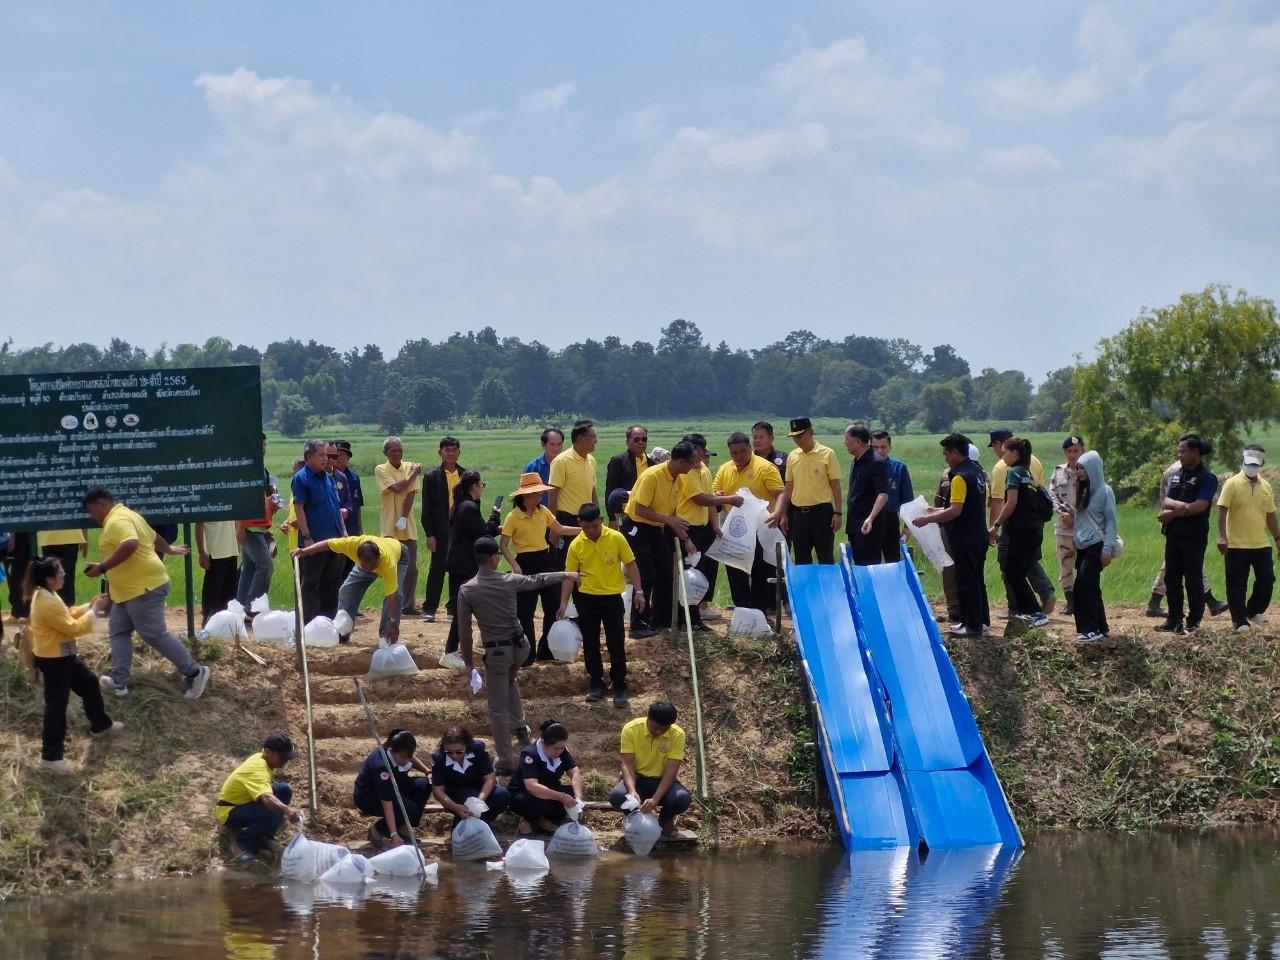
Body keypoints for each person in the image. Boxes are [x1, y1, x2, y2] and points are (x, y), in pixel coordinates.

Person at [457, 536, 577, 773]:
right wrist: (565, 574)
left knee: (496, 709)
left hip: (497, 652)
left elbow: (465, 632)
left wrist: (469, 662)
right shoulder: (509, 580)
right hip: (521, 647)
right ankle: (521, 728)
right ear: (493, 559)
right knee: (509, 681)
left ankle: (505, 760)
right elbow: (537, 580)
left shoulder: (467, 590)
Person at [83, 486, 211, 700]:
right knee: (118, 630)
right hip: (128, 590)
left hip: (143, 587)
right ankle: (120, 682)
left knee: (153, 634)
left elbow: (131, 543)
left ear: (101, 504)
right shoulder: (129, 515)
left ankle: (195, 672)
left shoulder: (117, 520)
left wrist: (103, 567)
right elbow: (153, 537)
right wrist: (169, 550)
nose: (92, 517)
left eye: (92, 511)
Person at [23, 556, 120, 774]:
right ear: (49, 579)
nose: (64, 574)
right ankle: (51, 757)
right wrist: (94, 611)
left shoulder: (47, 595)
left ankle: (100, 725)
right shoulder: (46, 601)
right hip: (54, 659)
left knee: (89, 683)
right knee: (56, 706)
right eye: (60, 572)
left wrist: (90, 605)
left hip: (63, 655)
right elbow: (72, 628)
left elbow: (65, 614)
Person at [560, 503, 646, 706]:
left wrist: (639, 591)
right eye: (586, 527)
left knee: (616, 642)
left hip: (612, 598)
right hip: (586, 599)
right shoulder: (576, 545)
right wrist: (563, 603)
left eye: (594, 526)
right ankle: (596, 683)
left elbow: (631, 564)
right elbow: (569, 576)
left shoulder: (616, 538)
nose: (590, 531)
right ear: (579, 523)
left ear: (600, 520)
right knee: (590, 643)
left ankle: (619, 684)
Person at [913, 434, 989, 638]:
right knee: (976, 580)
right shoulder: (977, 472)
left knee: (966, 582)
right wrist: (933, 510)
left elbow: (956, 511)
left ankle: (972, 626)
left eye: (946, 453)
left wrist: (927, 520)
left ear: (956, 453)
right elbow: (964, 505)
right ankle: (980, 621)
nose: (945, 458)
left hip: (965, 537)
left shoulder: (959, 477)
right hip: (979, 535)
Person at [499, 474, 581, 662]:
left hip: (545, 560)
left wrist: (584, 529)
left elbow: (560, 529)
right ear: (525, 496)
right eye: (535, 494)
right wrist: (515, 565)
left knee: (552, 607)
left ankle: (547, 651)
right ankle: (528, 655)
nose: (539, 497)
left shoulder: (543, 511)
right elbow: (503, 545)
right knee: (525, 611)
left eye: (540, 493)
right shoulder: (513, 517)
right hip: (525, 564)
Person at [622, 442, 698, 638]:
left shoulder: (678, 480)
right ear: (680, 461)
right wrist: (669, 520)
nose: (692, 467)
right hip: (637, 528)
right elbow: (640, 509)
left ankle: (659, 621)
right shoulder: (652, 476)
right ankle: (637, 624)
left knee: (666, 573)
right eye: (691, 463)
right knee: (646, 575)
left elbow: (672, 511)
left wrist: (682, 533)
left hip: (656, 528)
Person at [1145, 458, 1228, 619]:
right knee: (1188, 565)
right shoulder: (1179, 471)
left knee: (1182, 564)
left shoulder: (1180, 470)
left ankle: (1155, 602)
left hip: (1178, 522)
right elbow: (1177, 500)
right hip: (1178, 524)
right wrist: (1185, 511)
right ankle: (1208, 603)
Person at [714, 432, 785, 612]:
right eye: (734, 453)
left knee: (760, 570)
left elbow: (780, 493)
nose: (738, 456)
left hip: (760, 528)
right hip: (735, 529)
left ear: (749, 449)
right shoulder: (725, 469)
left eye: (742, 452)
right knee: (735, 569)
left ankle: (759, 611)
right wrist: (718, 496)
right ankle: (742, 609)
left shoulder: (765, 467)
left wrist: (777, 513)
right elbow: (715, 493)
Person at [987, 428, 1056, 615]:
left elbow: (1009, 502)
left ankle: (1029, 611)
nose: (1002, 457)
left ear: (1014, 452)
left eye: (1004, 453)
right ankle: (1031, 609)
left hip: (1019, 528)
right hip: (1034, 526)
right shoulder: (1028, 469)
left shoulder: (1011, 472)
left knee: (1011, 570)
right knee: (1023, 565)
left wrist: (995, 525)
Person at [1156, 435, 1219, 635]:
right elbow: (1167, 499)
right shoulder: (1176, 475)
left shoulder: (1207, 478)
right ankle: (1174, 619)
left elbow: (1199, 507)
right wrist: (1183, 507)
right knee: (1172, 578)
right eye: (1179, 451)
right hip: (1173, 534)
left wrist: (1174, 512)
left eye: (1183, 451)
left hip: (1194, 537)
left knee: (1193, 579)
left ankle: (1194, 622)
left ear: (1195, 453)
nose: (1179, 455)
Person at [292, 534, 406, 643]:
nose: (368, 570)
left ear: (378, 558)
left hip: (400, 556)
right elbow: (327, 544)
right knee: (347, 591)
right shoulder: (351, 544)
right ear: (358, 557)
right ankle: (342, 631)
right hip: (373, 558)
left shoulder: (388, 563)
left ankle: (387, 635)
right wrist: (305, 551)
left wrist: (392, 621)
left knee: (397, 596)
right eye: (364, 566)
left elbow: (392, 595)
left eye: (372, 566)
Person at [608, 701, 693, 838]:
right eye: (654, 728)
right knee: (617, 796)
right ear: (648, 718)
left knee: (682, 799)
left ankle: (665, 820)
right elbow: (627, 764)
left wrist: (655, 798)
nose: (658, 732)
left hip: (662, 782)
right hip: (637, 780)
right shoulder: (631, 729)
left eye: (663, 729)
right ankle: (636, 819)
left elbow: (671, 771)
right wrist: (631, 791)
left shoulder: (678, 735)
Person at [1217, 446, 1279, 632]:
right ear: (1243, 462)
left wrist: (1277, 537)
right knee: (1237, 584)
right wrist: (1222, 536)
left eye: (1255, 465)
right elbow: (1222, 509)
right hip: (1236, 544)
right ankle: (1239, 621)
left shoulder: (1266, 486)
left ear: (1261, 465)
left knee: (1267, 580)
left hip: (1261, 544)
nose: (1251, 467)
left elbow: (1270, 515)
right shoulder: (1232, 484)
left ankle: (1253, 610)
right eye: (1248, 464)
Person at [677, 433, 736, 624]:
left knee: (706, 567)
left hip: (704, 527)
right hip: (686, 527)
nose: (703, 457)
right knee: (689, 571)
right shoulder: (686, 473)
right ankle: (688, 615)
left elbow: (710, 500)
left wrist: (715, 525)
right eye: (701, 452)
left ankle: (701, 608)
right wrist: (729, 499)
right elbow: (700, 499)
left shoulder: (704, 469)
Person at [216, 732, 302, 861]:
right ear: (269, 752)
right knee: (270, 808)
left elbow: (266, 792)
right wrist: (288, 811)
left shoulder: (264, 759)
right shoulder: (258, 768)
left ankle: (264, 836)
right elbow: (267, 799)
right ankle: (241, 845)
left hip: (245, 803)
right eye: (283, 757)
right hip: (230, 811)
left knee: (284, 790)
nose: (285, 761)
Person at [443, 471, 501, 655]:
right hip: (464, 566)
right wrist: (495, 516)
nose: (483, 487)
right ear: (475, 486)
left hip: (460, 564)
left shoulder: (464, 504)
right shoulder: (469, 507)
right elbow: (482, 534)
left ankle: (477, 641)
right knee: (463, 611)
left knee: (470, 607)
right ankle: (450, 652)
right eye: (482, 484)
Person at [291, 439, 345, 620]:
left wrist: (343, 534)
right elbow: (299, 508)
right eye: (321, 455)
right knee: (311, 583)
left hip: (335, 541)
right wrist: (306, 537)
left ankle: (327, 621)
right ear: (308, 457)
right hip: (314, 541)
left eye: (327, 455)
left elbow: (336, 508)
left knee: (332, 583)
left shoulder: (329, 478)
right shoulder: (301, 479)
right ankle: (309, 623)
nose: (326, 459)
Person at [776, 418, 842, 566]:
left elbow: (835, 485)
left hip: (822, 513)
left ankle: (827, 588)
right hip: (799, 514)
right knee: (801, 559)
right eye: (794, 437)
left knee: (825, 557)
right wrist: (784, 513)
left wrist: (837, 513)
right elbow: (788, 487)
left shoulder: (827, 454)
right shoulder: (792, 456)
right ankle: (806, 589)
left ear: (811, 432)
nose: (797, 440)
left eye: (800, 436)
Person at [353, 728, 432, 848]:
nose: (407, 761)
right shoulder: (382, 767)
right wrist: (393, 834)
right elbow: (387, 802)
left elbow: (410, 756)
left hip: (393, 784)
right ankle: (378, 830)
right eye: (403, 757)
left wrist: (427, 771)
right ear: (392, 750)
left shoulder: (396, 748)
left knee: (423, 784)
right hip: (369, 796)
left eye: (408, 756)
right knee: (409, 809)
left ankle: (404, 827)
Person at [1072, 450, 1118, 642]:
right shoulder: (1083, 490)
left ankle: (1091, 630)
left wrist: (1107, 549)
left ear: (1092, 469)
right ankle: (1100, 627)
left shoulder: (1105, 491)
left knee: (1083, 586)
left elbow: (1111, 522)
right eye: (1078, 468)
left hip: (1096, 546)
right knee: (1090, 587)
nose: (1079, 472)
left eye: (1082, 468)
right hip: (1083, 547)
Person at [508, 720, 585, 835]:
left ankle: (550, 822)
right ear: (543, 742)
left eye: (562, 748)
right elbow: (532, 786)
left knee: (571, 795)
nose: (559, 752)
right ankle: (529, 822)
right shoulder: (530, 754)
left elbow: (574, 772)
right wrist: (561, 797)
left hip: (550, 789)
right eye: (555, 749)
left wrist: (578, 797)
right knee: (544, 803)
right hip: (524, 793)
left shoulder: (562, 751)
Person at [374, 437, 423, 616]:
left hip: (407, 525)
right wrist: (413, 475)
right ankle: (392, 604)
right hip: (389, 526)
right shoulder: (381, 469)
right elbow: (396, 488)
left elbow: (410, 494)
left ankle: (409, 605)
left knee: (411, 569)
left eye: (399, 450)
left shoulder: (410, 466)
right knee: (391, 568)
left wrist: (404, 517)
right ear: (385, 453)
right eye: (393, 450)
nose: (397, 453)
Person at [422, 437, 466, 622]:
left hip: (461, 531)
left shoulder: (466, 475)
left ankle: (453, 607)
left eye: (454, 450)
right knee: (437, 570)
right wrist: (430, 534)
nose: (451, 453)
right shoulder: (431, 477)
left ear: (459, 452)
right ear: (440, 452)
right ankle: (430, 607)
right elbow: (427, 508)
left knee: (459, 571)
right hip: (440, 532)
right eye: (447, 450)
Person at [430, 725, 511, 825]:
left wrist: (479, 801)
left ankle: (482, 822)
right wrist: (455, 807)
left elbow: (490, 778)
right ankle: (473, 823)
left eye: (459, 752)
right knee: (468, 795)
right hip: (455, 795)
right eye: (449, 752)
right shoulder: (439, 758)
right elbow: (438, 791)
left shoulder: (478, 749)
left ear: (466, 746)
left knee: (502, 795)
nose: (454, 755)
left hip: (479, 789)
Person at [235, 439, 281, 611]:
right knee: (266, 565)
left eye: (264, 445)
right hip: (249, 525)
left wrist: (273, 505)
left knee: (250, 567)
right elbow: (238, 498)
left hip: (260, 525)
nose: (262, 449)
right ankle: (253, 606)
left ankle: (240, 606)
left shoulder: (261, 469)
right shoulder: (246, 469)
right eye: (259, 445)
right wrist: (239, 527)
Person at [549, 420, 600, 563]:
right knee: (567, 562)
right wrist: (554, 526)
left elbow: (592, 490)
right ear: (580, 438)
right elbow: (553, 493)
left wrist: (597, 514)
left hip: (588, 519)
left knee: (589, 560)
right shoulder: (562, 461)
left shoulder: (591, 460)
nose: (596, 440)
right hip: (567, 520)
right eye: (593, 436)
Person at [843, 425, 889, 566]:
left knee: (869, 567)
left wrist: (870, 518)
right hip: (855, 524)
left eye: (847, 439)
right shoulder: (856, 460)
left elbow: (883, 494)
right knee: (858, 566)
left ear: (857, 442)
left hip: (868, 526)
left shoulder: (876, 461)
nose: (845, 443)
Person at [1049, 436, 1085, 616]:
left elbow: (1093, 500)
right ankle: (1070, 602)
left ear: (1083, 451)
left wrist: (1076, 518)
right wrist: (1062, 513)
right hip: (1064, 527)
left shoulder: (1088, 472)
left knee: (1085, 565)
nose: (1073, 455)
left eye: (1076, 451)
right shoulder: (1058, 472)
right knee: (1065, 564)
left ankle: (1083, 600)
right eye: (1069, 451)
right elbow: (1052, 494)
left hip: (1084, 527)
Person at [871, 431, 914, 563]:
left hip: (890, 519)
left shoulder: (899, 468)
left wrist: (907, 527)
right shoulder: (863, 466)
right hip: (869, 520)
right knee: (870, 562)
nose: (879, 451)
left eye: (883, 447)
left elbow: (908, 500)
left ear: (890, 447)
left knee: (893, 561)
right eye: (875, 447)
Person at [605, 426, 655, 528]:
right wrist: (612, 518)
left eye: (644, 439)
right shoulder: (618, 461)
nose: (641, 442)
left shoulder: (652, 463)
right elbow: (610, 491)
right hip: (626, 514)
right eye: (636, 439)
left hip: (648, 514)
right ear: (627, 442)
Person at [196, 520, 239, 626]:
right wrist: (202, 552)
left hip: (231, 550)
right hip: (215, 552)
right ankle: (209, 622)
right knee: (213, 591)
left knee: (230, 592)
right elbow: (199, 526)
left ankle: (224, 623)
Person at [35, 528, 88, 605]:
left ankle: (64, 608)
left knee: (56, 577)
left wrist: (85, 535)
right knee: (62, 577)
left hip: (55, 536)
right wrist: (85, 535)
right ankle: (63, 608)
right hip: (67, 535)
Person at [523, 428, 565, 508]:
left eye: (559, 444)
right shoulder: (533, 468)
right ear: (543, 444)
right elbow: (525, 495)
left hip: (564, 515)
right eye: (552, 444)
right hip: (539, 515)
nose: (556, 448)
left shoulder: (568, 465)